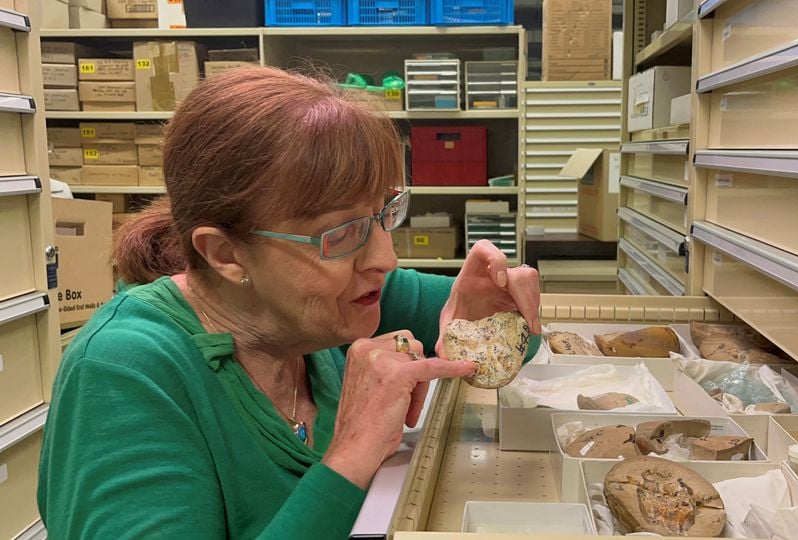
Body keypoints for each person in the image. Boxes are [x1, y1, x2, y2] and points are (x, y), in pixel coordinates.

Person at [37, 67, 541, 539]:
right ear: (227, 254)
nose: (385, 258)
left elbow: (530, 341)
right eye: (341, 233)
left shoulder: (327, 297)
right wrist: (351, 454)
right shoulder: (122, 372)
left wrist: (491, 314)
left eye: (383, 213)